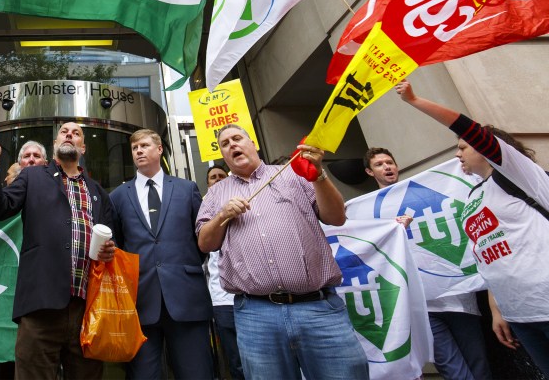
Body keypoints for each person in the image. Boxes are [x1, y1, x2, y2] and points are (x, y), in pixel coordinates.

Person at [395, 79, 549, 374]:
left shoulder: (520, 175)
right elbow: (488, 255)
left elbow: (471, 129)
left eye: (463, 147)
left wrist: (416, 101)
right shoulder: (473, 196)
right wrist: (497, 308)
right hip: (520, 315)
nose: (457, 154)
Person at [196, 124, 368, 380]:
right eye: (225, 144)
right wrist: (222, 215)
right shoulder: (216, 193)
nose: (232, 145)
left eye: (237, 138)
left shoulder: (291, 174)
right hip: (256, 316)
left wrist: (318, 174)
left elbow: (336, 217)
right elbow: (205, 244)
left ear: (253, 143)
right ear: (223, 154)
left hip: (318, 310)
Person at [0, 122, 116, 380]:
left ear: (83, 147)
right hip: (40, 306)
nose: (69, 135)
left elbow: (111, 240)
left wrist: (110, 249)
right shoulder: (32, 176)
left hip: (88, 309)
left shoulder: (98, 192)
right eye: (64, 132)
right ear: (55, 144)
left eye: (76, 133)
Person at [364, 147, 491, 380]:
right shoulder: (370, 213)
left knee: (478, 362)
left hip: (459, 298)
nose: (387, 167)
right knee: (451, 368)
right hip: (423, 305)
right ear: (369, 172)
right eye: (379, 164)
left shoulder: (424, 193)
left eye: (389, 162)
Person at [109, 129, 212, 379]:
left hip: (186, 297)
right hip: (140, 302)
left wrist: (178, 267)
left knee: (196, 373)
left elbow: (201, 241)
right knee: (143, 375)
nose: (139, 151)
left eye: (144, 145)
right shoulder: (118, 196)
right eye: (135, 148)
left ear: (159, 149)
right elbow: (119, 247)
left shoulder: (187, 189)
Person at [205, 165, 245, 380]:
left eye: (222, 176)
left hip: (251, 297)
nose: (218, 179)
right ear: (208, 184)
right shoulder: (203, 209)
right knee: (235, 361)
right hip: (222, 300)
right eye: (213, 177)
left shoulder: (244, 201)